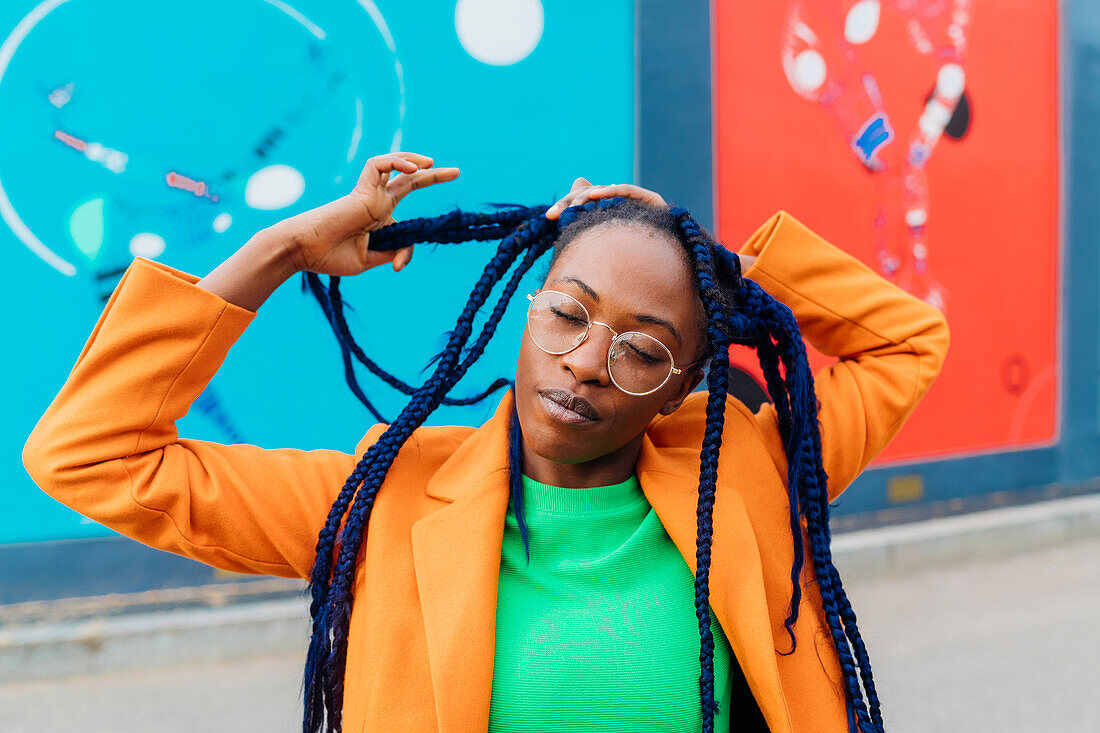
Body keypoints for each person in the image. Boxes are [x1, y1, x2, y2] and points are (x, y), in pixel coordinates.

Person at [23, 151, 949, 732]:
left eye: (643, 347)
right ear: (525, 309)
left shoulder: (749, 468)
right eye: (568, 312)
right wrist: (282, 252)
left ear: (683, 384)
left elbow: (910, 340)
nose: (587, 361)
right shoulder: (382, 497)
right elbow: (89, 452)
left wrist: (723, 268)